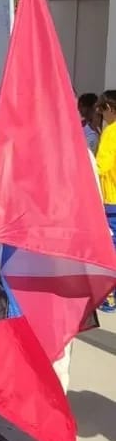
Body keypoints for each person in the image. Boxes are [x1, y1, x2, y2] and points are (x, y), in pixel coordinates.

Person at [96, 90, 116, 312]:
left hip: (112, 199)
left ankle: (109, 297)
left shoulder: (111, 132)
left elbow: (101, 167)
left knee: (110, 248)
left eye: (101, 109)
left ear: (109, 108)